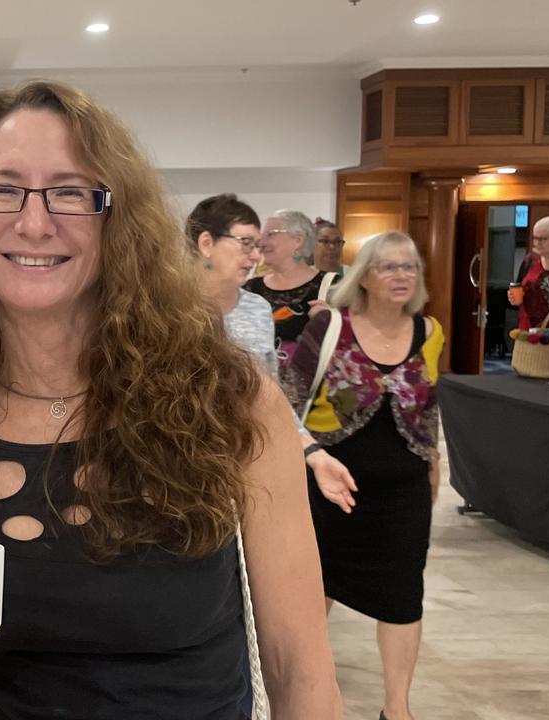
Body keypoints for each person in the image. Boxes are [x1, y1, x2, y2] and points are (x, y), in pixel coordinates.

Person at [0, 80, 341, 720]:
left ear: (115, 217)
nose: (33, 223)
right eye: (4, 190)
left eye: (69, 192)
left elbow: (301, 672)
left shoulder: (225, 398)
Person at [281, 231, 444, 720]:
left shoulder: (429, 331)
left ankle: (398, 710)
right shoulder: (331, 326)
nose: (402, 276)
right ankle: (301, 697)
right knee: (315, 593)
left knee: (403, 595)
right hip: (331, 488)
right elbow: (286, 399)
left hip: (403, 489)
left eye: (409, 267)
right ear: (365, 276)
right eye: (390, 266)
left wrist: (433, 462)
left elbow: (428, 404)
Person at [187, 194, 358, 515]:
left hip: (244, 469)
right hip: (177, 471)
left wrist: (313, 452)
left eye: (257, 245)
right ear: (206, 243)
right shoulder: (161, 308)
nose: (255, 255)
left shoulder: (256, 307)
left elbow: (268, 395)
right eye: (245, 243)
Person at [244, 209, 335, 373]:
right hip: (260, 392)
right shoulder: (250, 289)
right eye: (261, 235)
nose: (261, 242)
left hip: (311, 395)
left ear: (298, 240)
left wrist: (333, 321)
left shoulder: (333, 286)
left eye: (270, 234)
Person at [508, 215, 549, 335]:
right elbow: (520, 289)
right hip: (529, 335)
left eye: (543, 239)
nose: (537, 243)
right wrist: (514, 298)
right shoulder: (530, 260)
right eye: (535, 238)